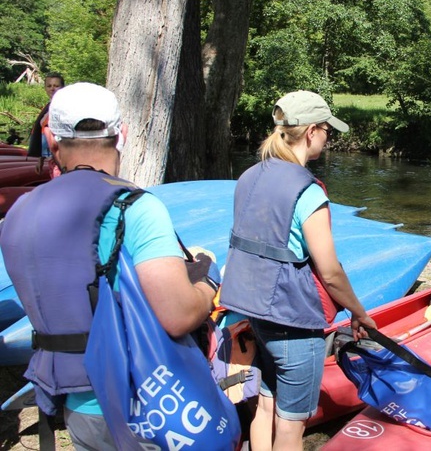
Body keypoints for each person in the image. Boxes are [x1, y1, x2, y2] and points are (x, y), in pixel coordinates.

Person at [0, 82, 217, 450]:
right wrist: (208, 278)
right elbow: (178, 316)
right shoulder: (136, 208)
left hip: (71, 398)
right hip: (137, 400)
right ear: (123, 134)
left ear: (52, 137)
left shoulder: (20, 210)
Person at [220, 90, 377, 451]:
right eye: (327, 130)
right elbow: (331, 272)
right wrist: (359, 313)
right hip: (293, 320)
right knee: (292, 424)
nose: (328, 137)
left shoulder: (248, 177)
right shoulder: (308, 192)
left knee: (264, 402)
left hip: (252, 310)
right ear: (312, 132)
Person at [28, 72, 65, 157]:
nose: (52, 88)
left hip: (56, 154)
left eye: (56, 86)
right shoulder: (49, 106)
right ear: (45, 88)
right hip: (46, 153)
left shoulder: (63, 106)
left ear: (62, 88)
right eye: (49, 86)